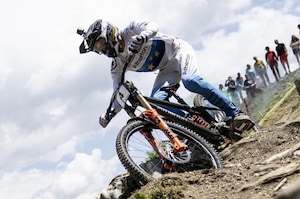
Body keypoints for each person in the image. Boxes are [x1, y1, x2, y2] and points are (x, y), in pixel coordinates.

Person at [78, 19, 254, 131]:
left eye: (101, 43)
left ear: (109, 33)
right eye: (97, 49)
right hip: (166, 70)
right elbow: (118, 93)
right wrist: (109, 114)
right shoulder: (117, 65)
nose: (102, 49)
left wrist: (144, 37)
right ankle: (196, 128)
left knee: (190, 81)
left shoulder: (130, 30)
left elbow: (152, 26)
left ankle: (235, 113)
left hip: (178, 51)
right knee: (156, 104)